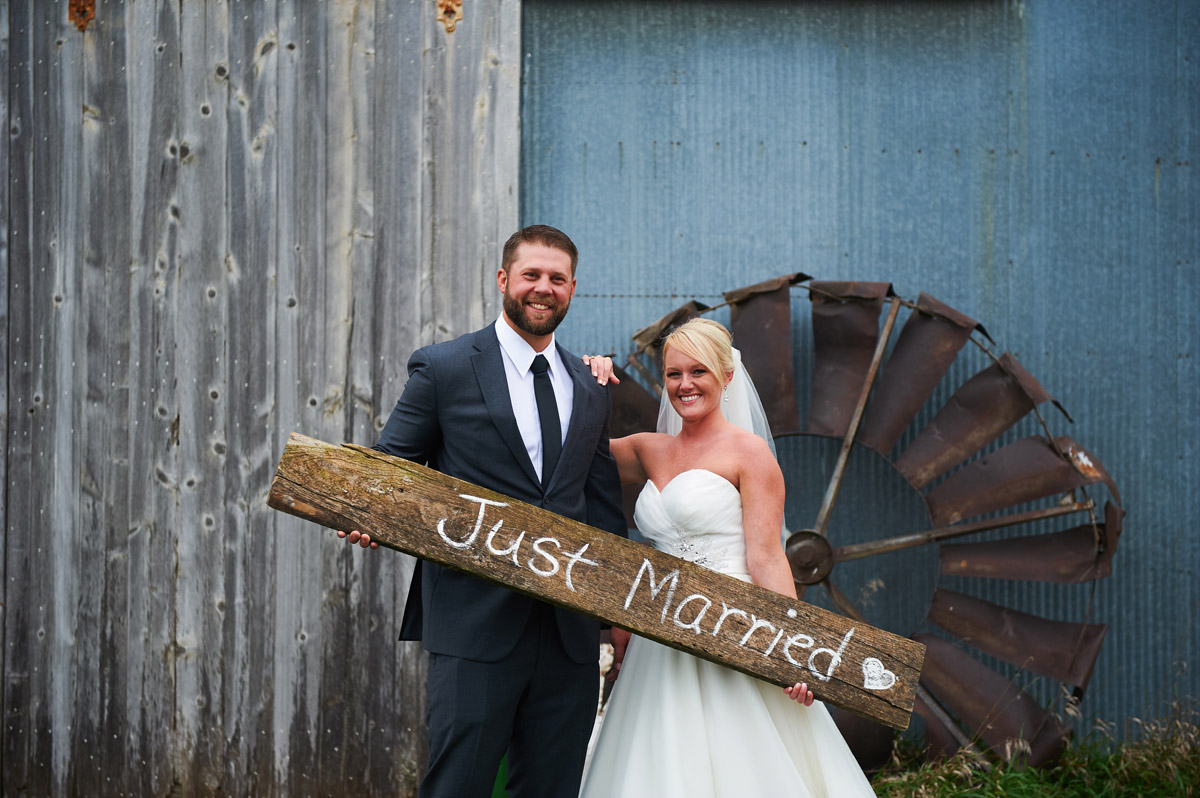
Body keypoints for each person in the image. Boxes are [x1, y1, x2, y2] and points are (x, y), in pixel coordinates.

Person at [339, 225, 628, 798]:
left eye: (557, 278)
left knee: (552, 788)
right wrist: (369, 514)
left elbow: (600, 506)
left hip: (568, 634)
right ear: (504, 280)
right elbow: (390, 465)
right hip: (474, 622)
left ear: (573, 288)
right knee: (459, 785)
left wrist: (614, 616)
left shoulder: (591, 387)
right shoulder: (444, 369)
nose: (543, 288)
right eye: (531, 276)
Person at [578, 318, 876, 797]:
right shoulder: (648, 451)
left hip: (735, 628)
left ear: (727, 376)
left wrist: (792, 650)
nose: (685, 385)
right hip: (662, 638)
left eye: (699, 372)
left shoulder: (749, 454)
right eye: (674, 374)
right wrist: (583, 379)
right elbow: (570, 451)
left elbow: (766, 557)